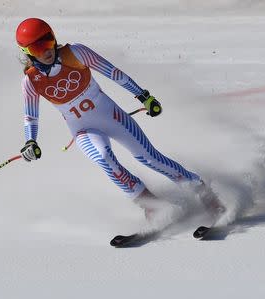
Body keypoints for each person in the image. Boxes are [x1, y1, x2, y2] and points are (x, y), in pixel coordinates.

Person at [15, 18, 223, 218]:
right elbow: (30, 117)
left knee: (149, 158)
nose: (47, 51)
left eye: (48, 41)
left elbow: (114, 73)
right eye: (37, 48)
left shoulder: (76, 53)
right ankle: (151, 206)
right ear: (27, 53)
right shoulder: (31, 81)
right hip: (82, 129)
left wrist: (144, 96)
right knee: (103, 157)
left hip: (111, 116)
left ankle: (204, 193)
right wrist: (30, 141)